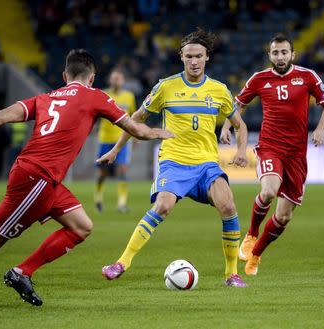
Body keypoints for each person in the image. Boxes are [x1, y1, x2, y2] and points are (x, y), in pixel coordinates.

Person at [0, 49, 173, 306]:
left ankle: (21, 272)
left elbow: (3, 116)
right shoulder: (95, 96)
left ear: (64, 75)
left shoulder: (45, 97)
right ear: (92, 78)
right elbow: (136, 129)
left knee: (82, 226)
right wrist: (160, 133)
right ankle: (17, 272)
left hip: (42, 178)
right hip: (36, 178)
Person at [98, 29, 249, 287]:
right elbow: (135, 119)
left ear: (207, 57)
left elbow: (239, 124)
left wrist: (241, 151)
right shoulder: (166, 87)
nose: (194, 61)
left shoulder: (219, 90)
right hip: (174, 162)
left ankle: (231, 274)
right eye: (189, 56)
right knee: (163, 206)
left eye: (198, 56)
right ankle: (122, 262)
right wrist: (114, 150)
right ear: (181, 57)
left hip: (206, 164)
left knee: (228, 206)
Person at [221, 34, 324, 275]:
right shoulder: (259, 79)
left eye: (284, 52)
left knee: (283, 217)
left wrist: (321, 130)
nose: (280, 57)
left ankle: (256, 255)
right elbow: (237, 105)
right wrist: (225, 127)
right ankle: (251, 235)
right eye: (275, 53)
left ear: (292, 54)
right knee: (269, 190)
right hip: (270, 147)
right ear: (269, 55)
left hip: (296, 154)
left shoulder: (307, 76)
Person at [95, 68, 137, 213]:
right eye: (113, 78)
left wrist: (135, 137)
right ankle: (99, 198)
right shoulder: (102, 95)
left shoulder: (129, 96)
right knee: (103, 173)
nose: (116, 81)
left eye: (118, 78)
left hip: (122, 141)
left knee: (123, 170)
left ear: (123, 81)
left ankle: (122, 204)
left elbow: (133, 117)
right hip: (104, 139)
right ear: (109, 80)